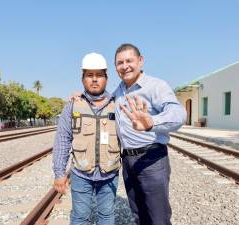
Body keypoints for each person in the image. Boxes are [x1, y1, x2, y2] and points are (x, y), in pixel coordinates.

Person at [113, 43, 187, 225]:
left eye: (129, 60)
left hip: (151, 158)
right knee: (139, 215)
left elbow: (179, 114)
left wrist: (151, 122)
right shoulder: (118, 92)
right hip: (128, 161)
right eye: (120, 62)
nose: (125, 66)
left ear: (140, 61)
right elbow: (99, 101)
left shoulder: (156, 86)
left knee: (157, 217)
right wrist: (80, 96)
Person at [52, 52, 121, 225]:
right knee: (80, 216)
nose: (94, 79)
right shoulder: (73, 105)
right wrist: (60, 173)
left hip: (109, 174)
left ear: (106, 78)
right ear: (83, 79)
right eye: (89, 75)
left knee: (107, 215)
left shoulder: (118, 104)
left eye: (99, 75)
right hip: (81, 174)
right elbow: (62, 140)